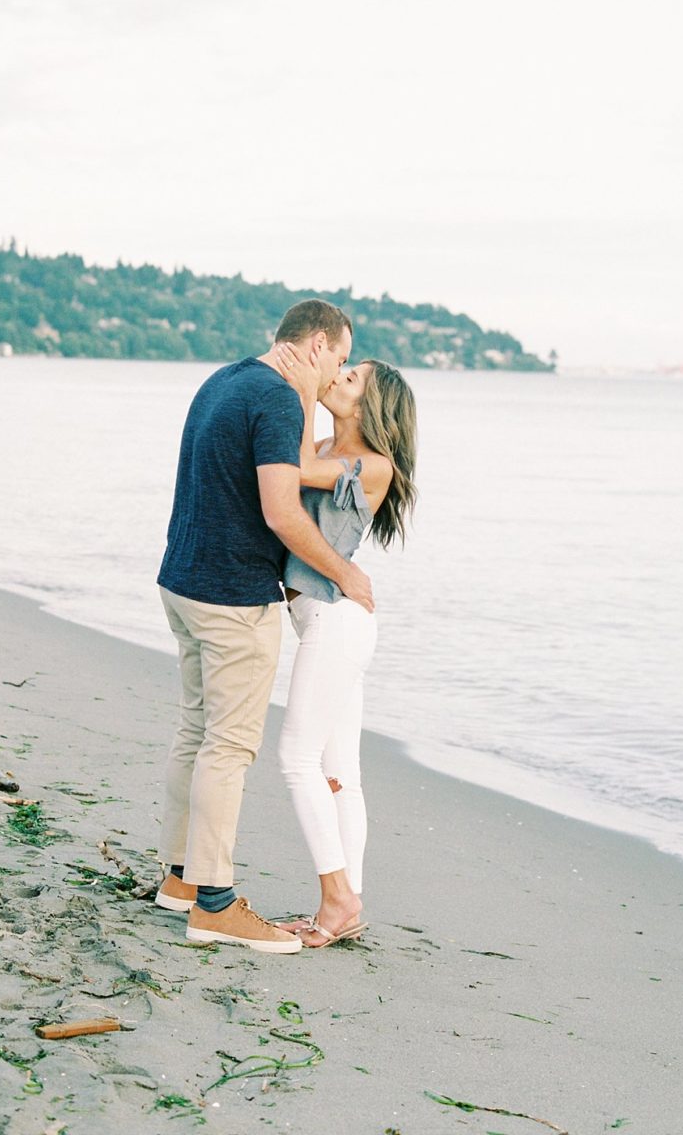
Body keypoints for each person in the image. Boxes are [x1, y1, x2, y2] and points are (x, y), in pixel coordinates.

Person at [154, 299, 374, 954]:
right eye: (337, 357)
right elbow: (281, 513)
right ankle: (215, 904)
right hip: (231, 597)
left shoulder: (225, 379)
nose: (335, 372)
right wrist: (347, 574)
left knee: (196, 734)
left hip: (182, 580)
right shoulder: (281, 401)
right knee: (227, 748)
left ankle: (181, 880)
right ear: (313, 346)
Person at [271, 342, 417, 949]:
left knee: (296, 760)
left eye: (349, 375)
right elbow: (306, 460)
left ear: (369, 403)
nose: (338, 375)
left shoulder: (373, 463)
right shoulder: (333, 450)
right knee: (339, 775)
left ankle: (339, 901)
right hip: (324, 620)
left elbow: (296, 467)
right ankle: (347, 904)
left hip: (337, 622)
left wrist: (304, 384)